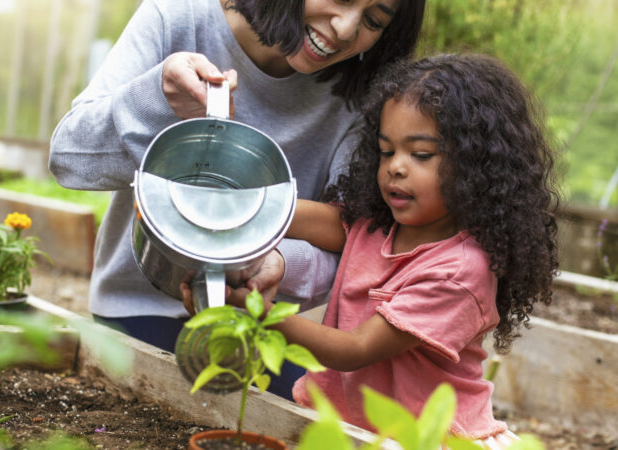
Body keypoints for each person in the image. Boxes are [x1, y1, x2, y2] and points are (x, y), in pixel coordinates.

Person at [49, 0, 425, 399]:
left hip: (257, 327)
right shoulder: (178, 18)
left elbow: (355, 244)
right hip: (138, 309)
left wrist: (280, 262)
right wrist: (158, 98)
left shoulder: (359, 96)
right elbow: (69, 158)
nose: (346, 29)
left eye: (374, 20)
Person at [190, 53, 559, 445]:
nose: (396, 167)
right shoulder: (379, 224)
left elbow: (357, 348)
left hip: (427, 439)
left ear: (476, 166)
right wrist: (253, 209)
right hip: (349, 428)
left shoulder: (460, 270)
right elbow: (326, 222)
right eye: (386, 151)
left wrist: (262, 315)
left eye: (420, 155)